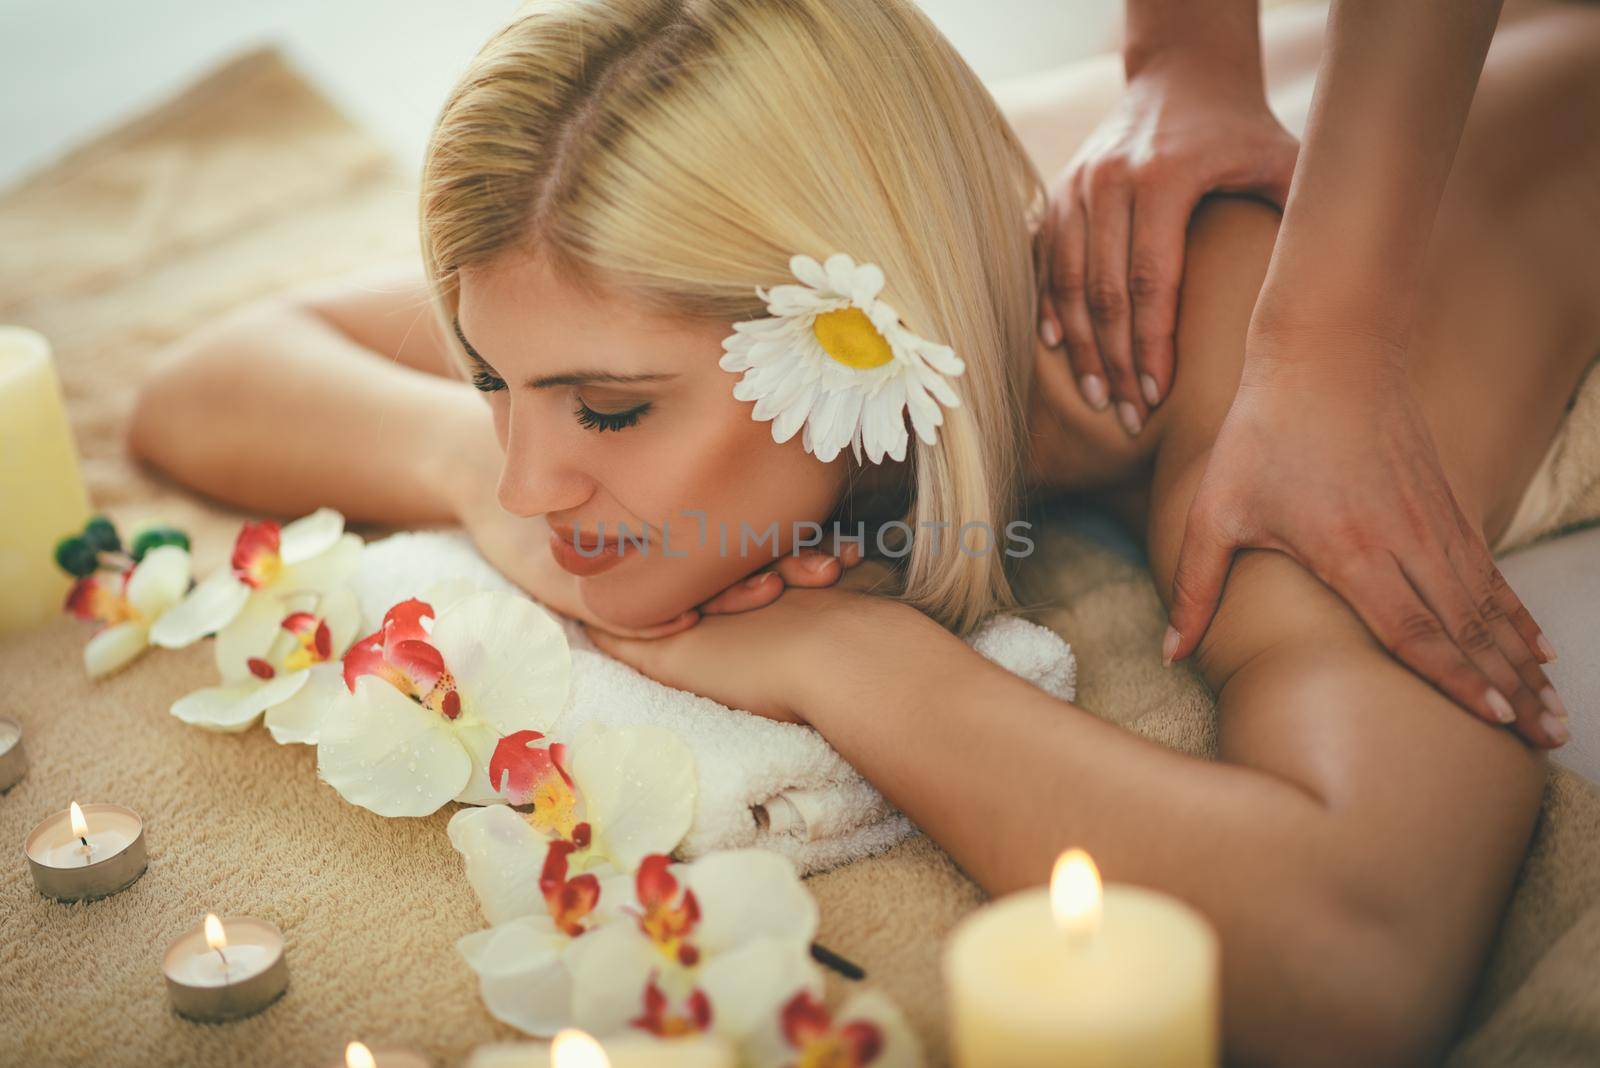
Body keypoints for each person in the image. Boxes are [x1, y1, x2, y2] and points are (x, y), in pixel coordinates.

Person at [127, 0, 1600, 1061]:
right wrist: (475, 479)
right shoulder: (822, 211)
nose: (529, 480)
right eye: (489, 378)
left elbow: (1353, 957)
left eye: (613, 414)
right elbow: (210, 376)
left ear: (852, 340)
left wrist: (857, 662)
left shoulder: (1247, 398)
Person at [1033, 0, 1565, 743]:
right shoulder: (905, 163)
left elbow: (1368, 843)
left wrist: (1330, 345)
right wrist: (1184, 55)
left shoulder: (1261, 430)